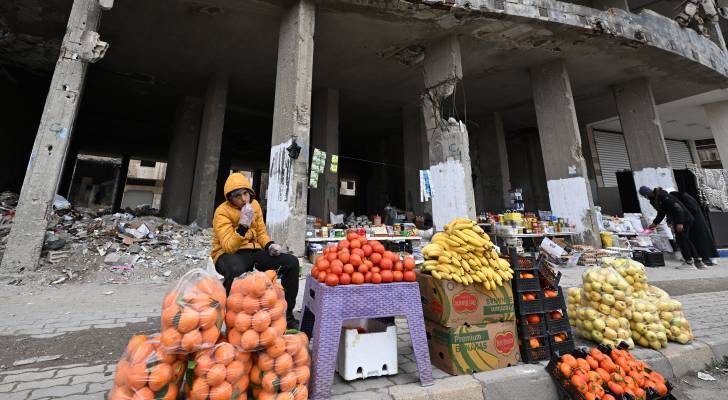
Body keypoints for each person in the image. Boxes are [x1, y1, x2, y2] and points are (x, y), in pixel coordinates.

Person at [211, 173, 300, 328]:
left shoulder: (255, 206)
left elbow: (261, 233)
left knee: (291, 262)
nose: (243, 199)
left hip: (253, 251)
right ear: (230, 198)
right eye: (237, 196)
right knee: (236, 270)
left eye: (245, 193)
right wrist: (243, 226)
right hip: (228, 254)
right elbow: (229, 246)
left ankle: (287, 317)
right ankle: (233, 322)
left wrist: (269, 245)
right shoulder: (222, 212)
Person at [638, 186, 703, 269]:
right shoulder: (654, 200)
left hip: (683, 219)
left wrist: (679, 222)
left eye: (645, 195)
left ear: (646, 194)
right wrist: (654, 223)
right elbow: (661, 213)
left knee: (682, 240)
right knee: (685, 239)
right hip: (681, 219)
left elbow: (677, 208)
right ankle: (698, 262)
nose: (646, 197)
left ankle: (689, 262)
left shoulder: (662, 195)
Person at [669, 190, 718, 266]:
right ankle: (703, 258)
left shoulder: (686, 198)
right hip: (694, 222)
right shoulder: (685, 197)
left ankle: (706, 259)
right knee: (698, 241)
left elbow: (692, 209)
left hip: (697, 223)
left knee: (701, 241)